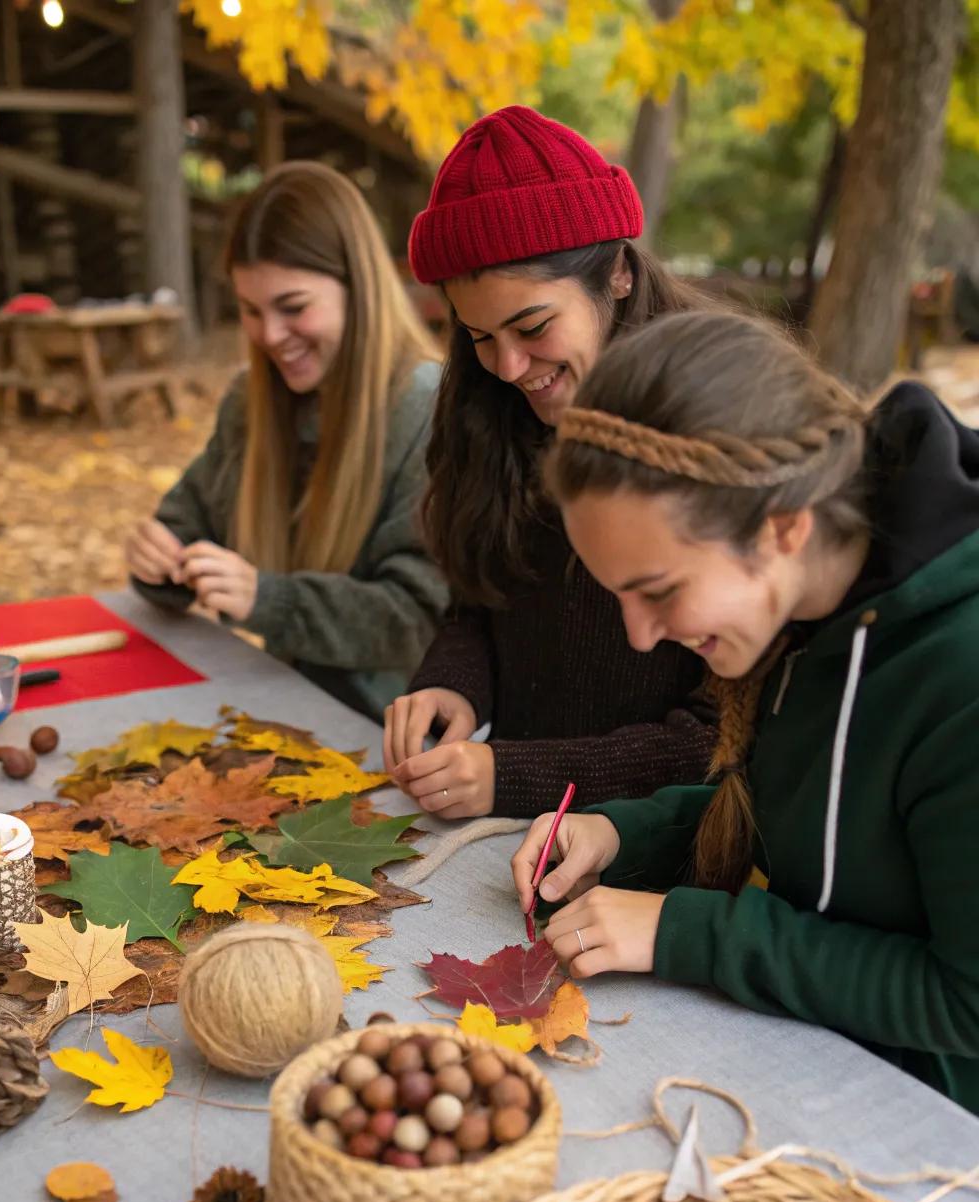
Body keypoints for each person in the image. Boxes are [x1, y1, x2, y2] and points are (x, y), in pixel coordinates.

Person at [511, 309, 979, 1110]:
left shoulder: (958, 675)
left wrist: (686, 933)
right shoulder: (809, 611)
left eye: (659, 591)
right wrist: (629, 832)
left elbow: (964, 1004)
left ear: (785, 528)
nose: (640, 633)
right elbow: (814, 819)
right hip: (799, 1057)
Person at [382, 106, 716, 819]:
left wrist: (515, 774)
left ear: (618, 274)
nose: (507, 366)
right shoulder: (494, 412)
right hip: (514, 838)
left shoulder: (713, 431)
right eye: (479, 336)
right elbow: (481, 595)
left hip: (667, 858)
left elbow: (722, 738)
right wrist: (453, 685)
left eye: (533, 327)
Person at [126, 161, 445, 721]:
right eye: (251, 311)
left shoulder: (427, 408)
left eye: (293, 308)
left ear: (358, 287)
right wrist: (161, 561)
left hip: (394, 741)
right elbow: (189, 519)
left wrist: (267, 600)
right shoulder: (252, 402)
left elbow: (417, 619)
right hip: (277, 709)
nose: (270, 336)